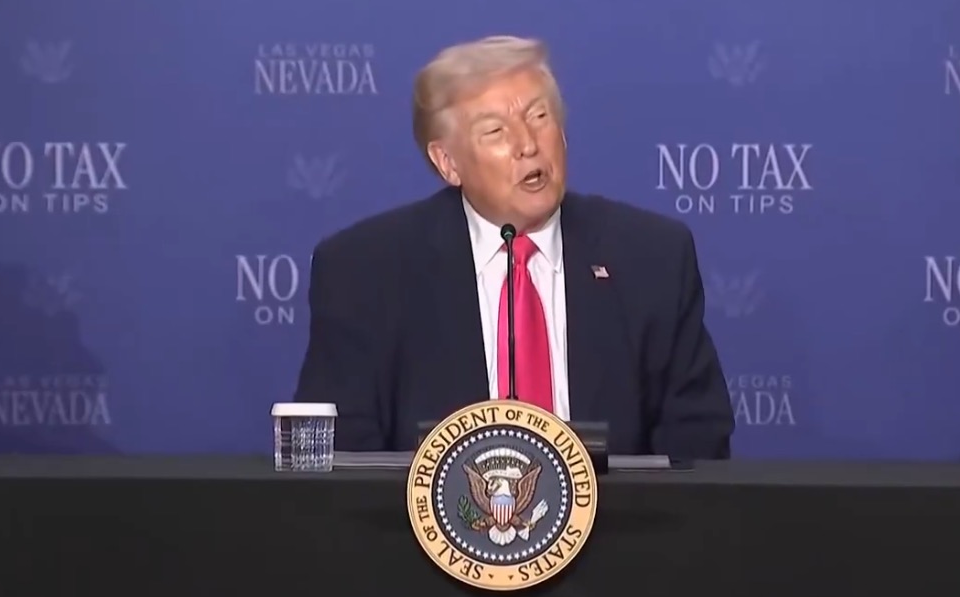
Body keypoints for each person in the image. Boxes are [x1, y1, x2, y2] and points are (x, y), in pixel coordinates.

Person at [295, 35, 734, 459]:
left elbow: (697, 443)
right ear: (448, 163)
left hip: (619, 528)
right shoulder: (365, 271)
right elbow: (343, 460)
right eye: (495, 131)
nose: (528, 145)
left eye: (539, 117)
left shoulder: (651, 257)